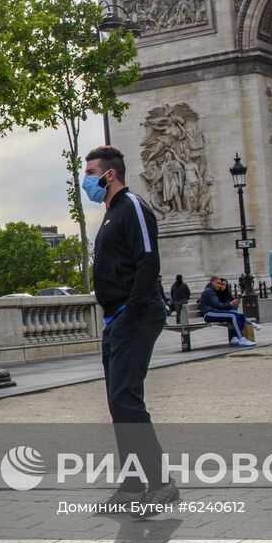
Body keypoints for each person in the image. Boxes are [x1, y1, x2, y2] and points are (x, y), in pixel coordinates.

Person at [84, 145, 177, 514]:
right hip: (118, 318)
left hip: (135, 314)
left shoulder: (133, 207)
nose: (85, 180)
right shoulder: (110, 214)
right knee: (119, 402)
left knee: (126, 399)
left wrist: (129, 313)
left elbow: (148, 260)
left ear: (110, 174)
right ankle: (134, 486)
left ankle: (161, 484)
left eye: (90, 173)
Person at [198, 277, 259, 347]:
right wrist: (230, 304)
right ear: (212, 282)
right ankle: (241, 339)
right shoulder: (209, 291)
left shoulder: (212, 291)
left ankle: (235, 337)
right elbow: (217, 305)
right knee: (233, 315)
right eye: (218, 283)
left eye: (220, 284)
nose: (220, 285)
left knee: (240, 316)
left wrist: (231, 304)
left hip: (214, 312)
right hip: (209, 314)